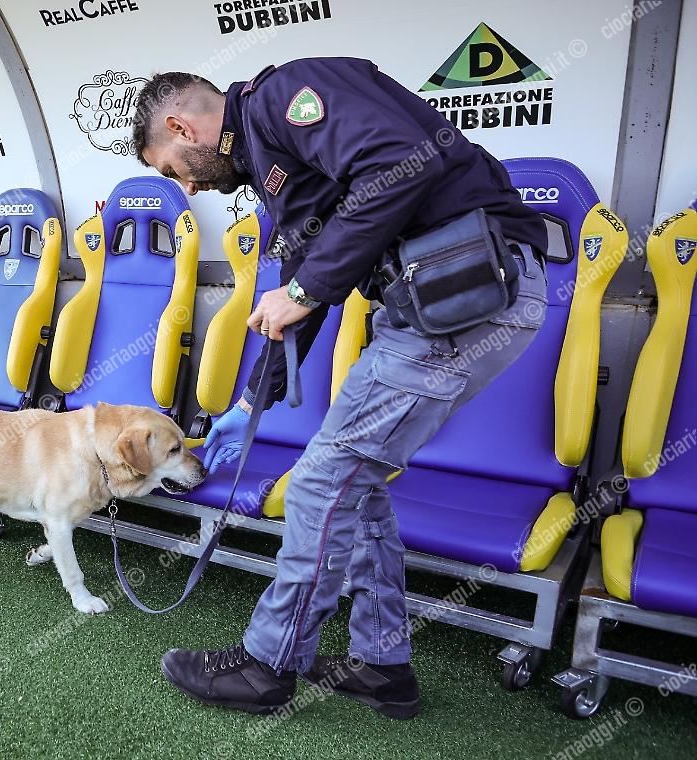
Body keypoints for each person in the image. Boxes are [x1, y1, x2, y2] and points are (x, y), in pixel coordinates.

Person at [131, 57, 548, 719]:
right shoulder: (270, 154)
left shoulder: (285, 97)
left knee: (321, 482)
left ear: (183, 128)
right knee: (357, 483)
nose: (187, 186)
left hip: (468, 290)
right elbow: (307, 278)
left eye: (172, 169)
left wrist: (302, 290)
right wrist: (250, 402)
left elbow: (400, 162)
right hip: (436, 302)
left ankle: (268, 666)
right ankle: (382, 665)